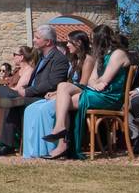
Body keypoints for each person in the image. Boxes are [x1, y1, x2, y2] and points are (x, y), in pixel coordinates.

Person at [42, 24, 131, 159]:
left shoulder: (118, 53)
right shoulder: (101, 55)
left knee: (63, 103)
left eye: (92, 39)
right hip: (97, 92)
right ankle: (60, 128)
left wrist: (98, 82)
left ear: (101, 39)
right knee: (63, 86)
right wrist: (97, 82)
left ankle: (62, 144)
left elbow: (105, 80)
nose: (91, 43)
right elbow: (92, 81)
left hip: (110, 97)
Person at [0, 25, 69, 156]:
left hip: (42, 97)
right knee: (2, 90)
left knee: (8, 98)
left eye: (37, 38)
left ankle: (7, 145)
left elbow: (52, 83)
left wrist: (27, 92)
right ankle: (12, 100)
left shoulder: (59, 59)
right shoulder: (41, 57)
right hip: (30, 94)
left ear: (48, 42)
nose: (33, 40)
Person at [22, 30, 93, 159]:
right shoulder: (74, 60)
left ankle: (51, 146)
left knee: (45, 109)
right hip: (68, 92)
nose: (67, 45)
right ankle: (32, 151)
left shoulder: (88, 60)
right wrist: (56, 92)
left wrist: (60, 93)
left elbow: (83, 84)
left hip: (82, 94)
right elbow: (68, 83)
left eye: (69, 42)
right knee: (32, 109)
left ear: (79, 43)